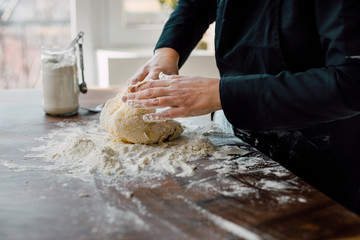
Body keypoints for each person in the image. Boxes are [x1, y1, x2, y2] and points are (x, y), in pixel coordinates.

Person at [121, 0, 360, 214]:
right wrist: (166, 52)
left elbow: (351, 84)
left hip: (320, 158)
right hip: (237, 140)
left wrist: (218, 93)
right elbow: (196, 4)